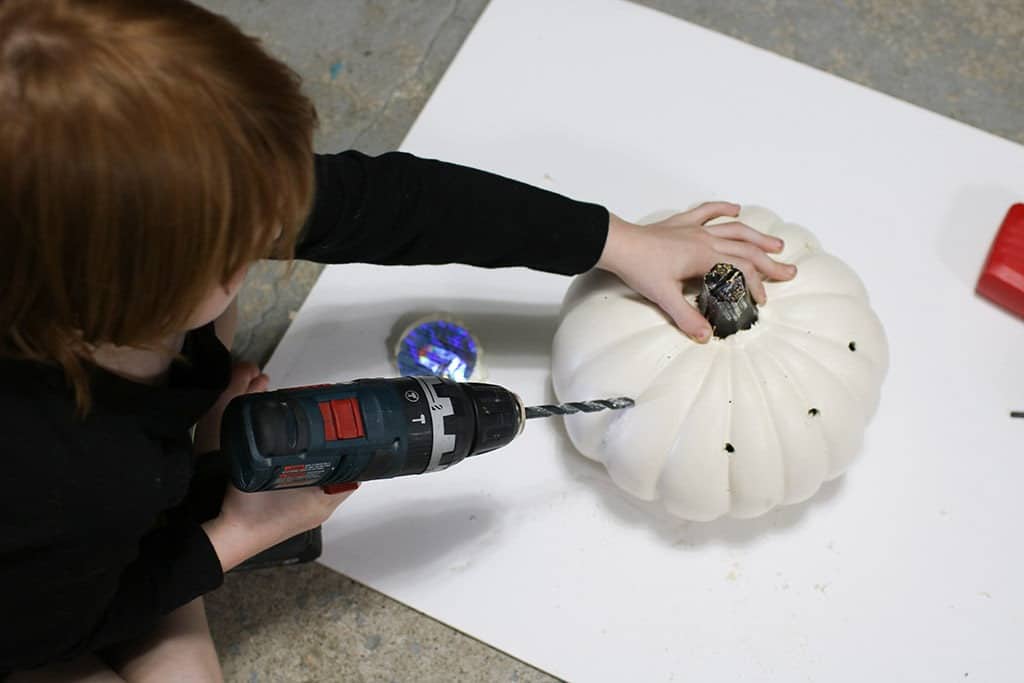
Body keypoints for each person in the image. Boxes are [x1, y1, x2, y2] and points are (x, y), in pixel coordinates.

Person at [0, 0, 796, 679]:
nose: (280, 228)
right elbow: (58, 624)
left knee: (211, 353)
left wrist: (614, 241)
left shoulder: (151, 198)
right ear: (113, 294)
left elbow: (398, 202)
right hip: (39, 604)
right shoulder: (69, 471)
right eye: (247, 241)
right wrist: (230, 537)